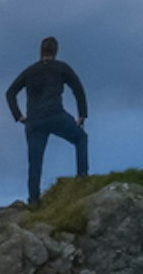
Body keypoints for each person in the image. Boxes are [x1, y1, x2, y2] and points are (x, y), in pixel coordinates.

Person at [6, 36, 89, 203]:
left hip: (34, 121)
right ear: (56, 51)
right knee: (81, 138)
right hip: (55, 115)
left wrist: (19, 116)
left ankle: (34, 200)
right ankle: (82, 180)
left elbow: (10, 93)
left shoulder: (30, 71)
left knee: (35, 161)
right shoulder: (61, 68)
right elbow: (78, 89)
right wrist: (82, 114)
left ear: (40, 51)